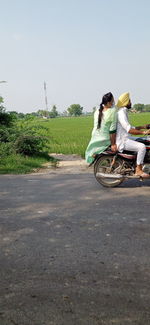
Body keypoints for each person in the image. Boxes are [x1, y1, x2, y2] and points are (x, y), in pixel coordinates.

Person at [116, 92, 150, 178]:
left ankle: (142, 162)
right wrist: (143, 132)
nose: (131, 102)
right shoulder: (121, 113)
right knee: (142, 147)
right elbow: (129, 130)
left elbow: (131, 127)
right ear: (125, 102)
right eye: (129, 101)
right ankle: (138, 170)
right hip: (123, 141)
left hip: (127, 137)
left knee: (146, 139)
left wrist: (144, 127)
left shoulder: (124, 112)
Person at [85, 92, 117, 164]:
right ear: (108, 102)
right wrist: (113, 144)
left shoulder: (97, 111)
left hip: (95, 138)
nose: (113, 102)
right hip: (105, 139)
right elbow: (112, 130)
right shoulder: (112, 111)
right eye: (112, 101)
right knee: (120, 147)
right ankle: (113, 163)